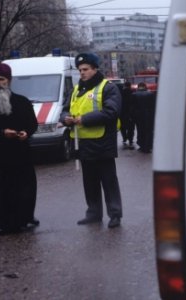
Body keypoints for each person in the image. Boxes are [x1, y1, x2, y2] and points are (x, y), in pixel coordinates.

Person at [60, 52, 123, 229]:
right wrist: (66, 119)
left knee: (109, 181)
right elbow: (64, 110)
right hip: (83, 144)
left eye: (86, 69)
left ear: (95, 69)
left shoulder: (108, 87)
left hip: (103, 143)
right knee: (90, 181)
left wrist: (83, 119)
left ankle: (115, 214)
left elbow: (112, 112)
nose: (82, 73)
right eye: (80, 70)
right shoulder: (75, 90)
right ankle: (94, 213)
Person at [0, 63, 39, 233]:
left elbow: (32, 124)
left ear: (8, 81)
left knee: (23, 187)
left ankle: (24, 217)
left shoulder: (22, 102)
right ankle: (1, 222)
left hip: (20, 152)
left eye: (1, 79)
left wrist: (26, 132)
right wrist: (2, 132)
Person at [131, 82, 156, 153]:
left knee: (140, 130)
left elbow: (132, 107)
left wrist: (132, 116)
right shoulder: (151, 94)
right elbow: (153, 106)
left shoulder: (134, 95)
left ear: (138, 87)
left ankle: (141, 145)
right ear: (145, 87)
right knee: (149, 131)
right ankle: (148, 146)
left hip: (138, 116)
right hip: (149, 116)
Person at [119, 81, 135, 149]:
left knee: (123, 127)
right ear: (130, 85)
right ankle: (130, 140)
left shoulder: (120, 93)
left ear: (124, 86)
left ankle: (124, 138)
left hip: (122, 113)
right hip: (131, 113)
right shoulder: (133, 93)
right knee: (131, 128)